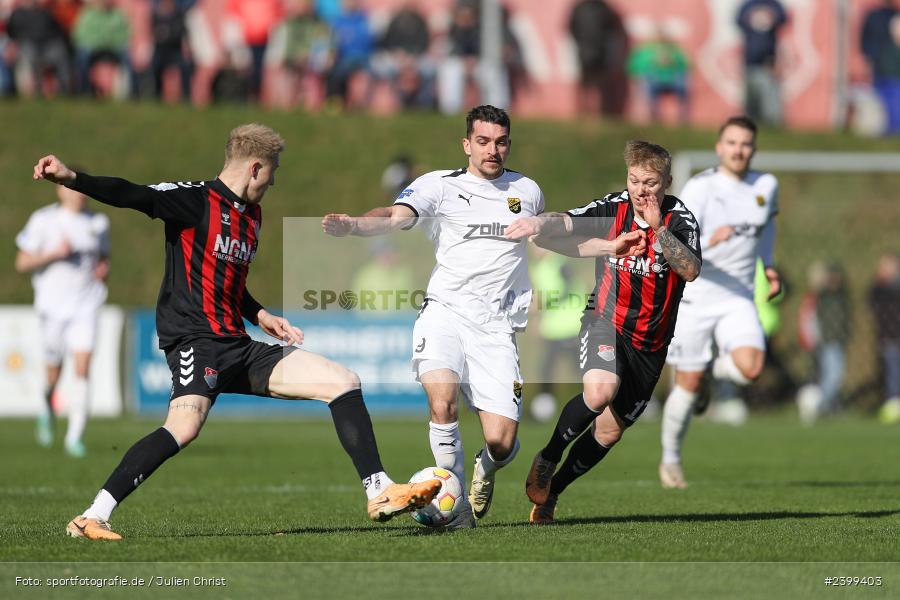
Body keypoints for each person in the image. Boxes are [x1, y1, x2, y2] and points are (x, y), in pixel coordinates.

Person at [33, 124, 440, 541]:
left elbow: (227, 281)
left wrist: (259, 312)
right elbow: (132, 193)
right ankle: (92, 516)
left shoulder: (251, 217)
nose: (274, 182)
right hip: (195, 338)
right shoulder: (193, 200)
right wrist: (72, 179)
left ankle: (379, 490)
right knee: (183, 426)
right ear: (255, 168)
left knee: (342, 381)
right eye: (273, 173)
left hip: (237, 344)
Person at [323, 105, 544, 528]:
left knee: (501, 441)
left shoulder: (528, 191)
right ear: (466, 144)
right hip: (444, 311)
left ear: (509, 144)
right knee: (442, 402)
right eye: (482, 141)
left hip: (495, 325)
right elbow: (394, 216)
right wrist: (354, 224)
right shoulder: (436, 187)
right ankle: (457, 508)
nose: (491, 150)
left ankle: (487, 466)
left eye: (500, 142)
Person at [504, 140, 700, 523]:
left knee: (609, 432)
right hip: (604, 321)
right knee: (600, 392)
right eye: (634, 180)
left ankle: (552, 493)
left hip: (651, 344)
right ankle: (547, 456)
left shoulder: (681, 221)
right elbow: (563, 222)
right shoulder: (613, 208)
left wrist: (658, 227)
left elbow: (690, 270)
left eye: (651, 182)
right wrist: (537, 223)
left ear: (668, 183)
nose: (641, 190)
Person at [657, 116, 780, 489]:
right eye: (732, 143)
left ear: (753, 149)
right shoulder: (701, 187)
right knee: (687, 385)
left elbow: (767, 229)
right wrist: (713, 239)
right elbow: (675, 244)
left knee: (752, 367)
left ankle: (711, 369)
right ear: (719, 147)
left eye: (745, 144)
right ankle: (670, 461)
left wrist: (769, 267)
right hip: (696, 294)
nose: (739, 150)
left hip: (738, 295)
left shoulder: (766, 185)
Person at [15, 175, 110, 458]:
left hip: (86, 305)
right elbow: (22, 262)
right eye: (70, 190)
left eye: (80, 190)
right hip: (52, 307)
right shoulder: (43, 220)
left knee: (83, 367)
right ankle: (47, 405)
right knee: (53, 371)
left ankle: (74, 437)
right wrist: (55, 254)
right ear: (59, 191)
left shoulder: (98, 223)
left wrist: (103, 269)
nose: (76, 195)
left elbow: (103, 259)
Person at [736, 0, 787, 126]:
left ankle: (771, 121)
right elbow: (738, 21)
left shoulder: (774, 4)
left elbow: (783, 19)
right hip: (750, 57)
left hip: (769, 58)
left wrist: (771, 14)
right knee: (751, 94)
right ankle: (751, 121)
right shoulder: (748, 4)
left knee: (769, 92)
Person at [626, 25, 690, 124]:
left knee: (682, 85)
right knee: (646, 87)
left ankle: (682, 119)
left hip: (672, 81)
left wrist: (671, 61)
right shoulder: (645, 51)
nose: (659, 39)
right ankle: (653, 118)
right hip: (652, 82)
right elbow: (632, 67)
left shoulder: (674, 50)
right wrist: (651, 63)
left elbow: (686, 66)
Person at [869, 252, 900, 423]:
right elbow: (871, 300)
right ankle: (893, 403)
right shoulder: (879, 288)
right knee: (892, 372)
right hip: (888, 336)